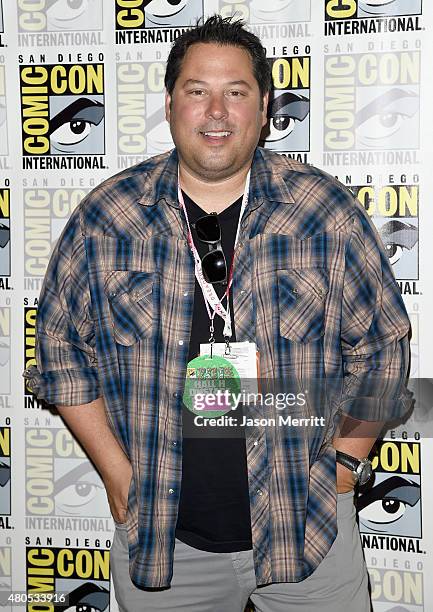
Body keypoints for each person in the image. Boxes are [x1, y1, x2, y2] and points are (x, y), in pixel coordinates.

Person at [24, 15, 412, 612]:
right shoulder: (109, 215)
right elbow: (58, 351)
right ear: (170, 103)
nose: (216, 112)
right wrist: (117, 477)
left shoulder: (323, 211)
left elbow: (384, 344)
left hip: (308, 530)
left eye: (236, 92)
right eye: (197, 91)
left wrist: (342, 468)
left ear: (262, 109)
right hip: (162, 542)